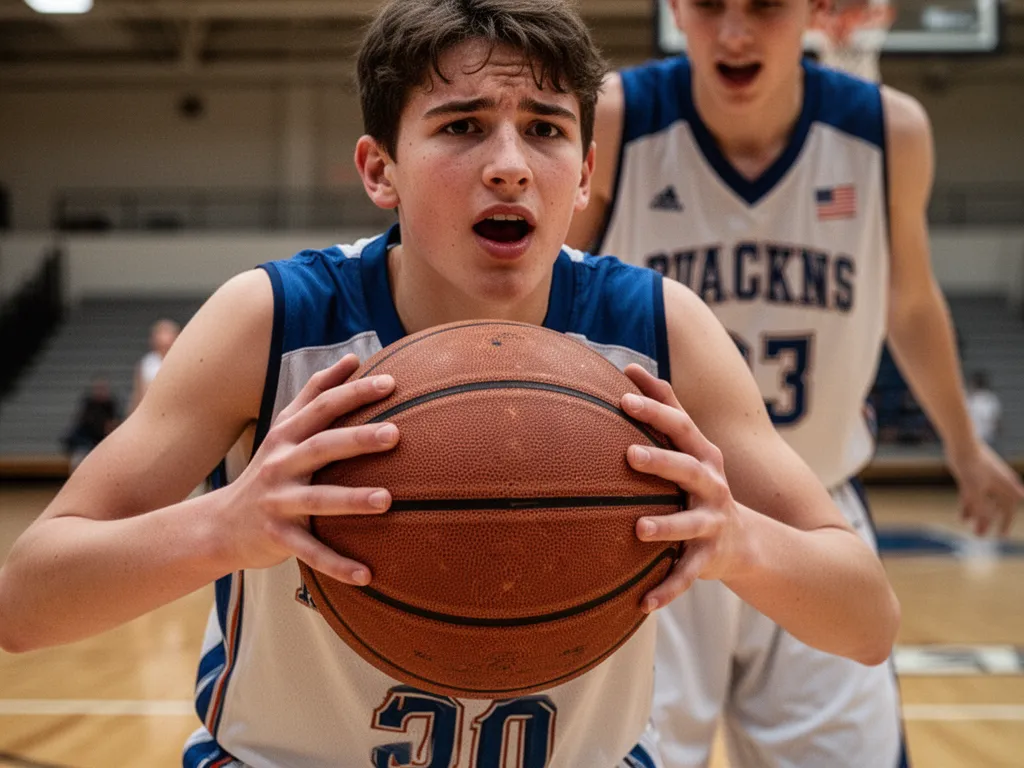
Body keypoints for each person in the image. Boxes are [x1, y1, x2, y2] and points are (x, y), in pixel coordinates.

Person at [0, 2, 900, 766]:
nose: (509, 162)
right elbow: (26, 603)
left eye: (546, 129)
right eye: (462, 125)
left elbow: (867, 621)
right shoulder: (273, 322)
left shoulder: (661, 332)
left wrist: (739, 541)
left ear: (585, 173)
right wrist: (224, 525)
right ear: (378, 169)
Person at [567, 0, 1024, 766]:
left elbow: (910, 303)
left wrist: (965, 446)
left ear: (816, 10)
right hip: (645, 521)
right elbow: (554, 293)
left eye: (765, 6)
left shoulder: (889, 131)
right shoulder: (619, 118)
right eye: (710, 6)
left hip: (813, 523)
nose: (735, 32)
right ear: (678, 9)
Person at [63, 376, 121, 470]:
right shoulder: (88, 407)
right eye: (99, 388)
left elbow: (117, 429)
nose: (101, 391)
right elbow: (79, 431)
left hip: (107, 447)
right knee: (79, 459)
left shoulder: (112, 407)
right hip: (88, 446)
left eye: (103, 388)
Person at [130, 317, 180, 411]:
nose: (163, 337)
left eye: (167, 332)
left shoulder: (183, 362)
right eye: (160, 332)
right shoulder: (146, 363)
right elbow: (138, 394)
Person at [966, 370, 1003, 446]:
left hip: (974, 437)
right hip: (986, 437)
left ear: (973, 384)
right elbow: (996, 421)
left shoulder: (969, 399)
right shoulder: (991, 399)